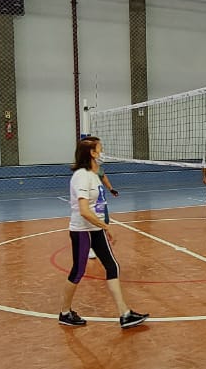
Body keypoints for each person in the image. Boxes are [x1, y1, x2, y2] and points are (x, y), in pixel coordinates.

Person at [58, 136, 148, 330]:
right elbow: (83, 210)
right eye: (100, 149)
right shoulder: (82, 175)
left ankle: (125, 314)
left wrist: (102, 226)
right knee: (78, 270)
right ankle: (65, 313)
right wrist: (106, 226)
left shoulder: (93, 174)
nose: (102, 152)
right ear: (92, 153)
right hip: (83, 230)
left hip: (95, 228)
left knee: (112, 266)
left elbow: (95, 205)